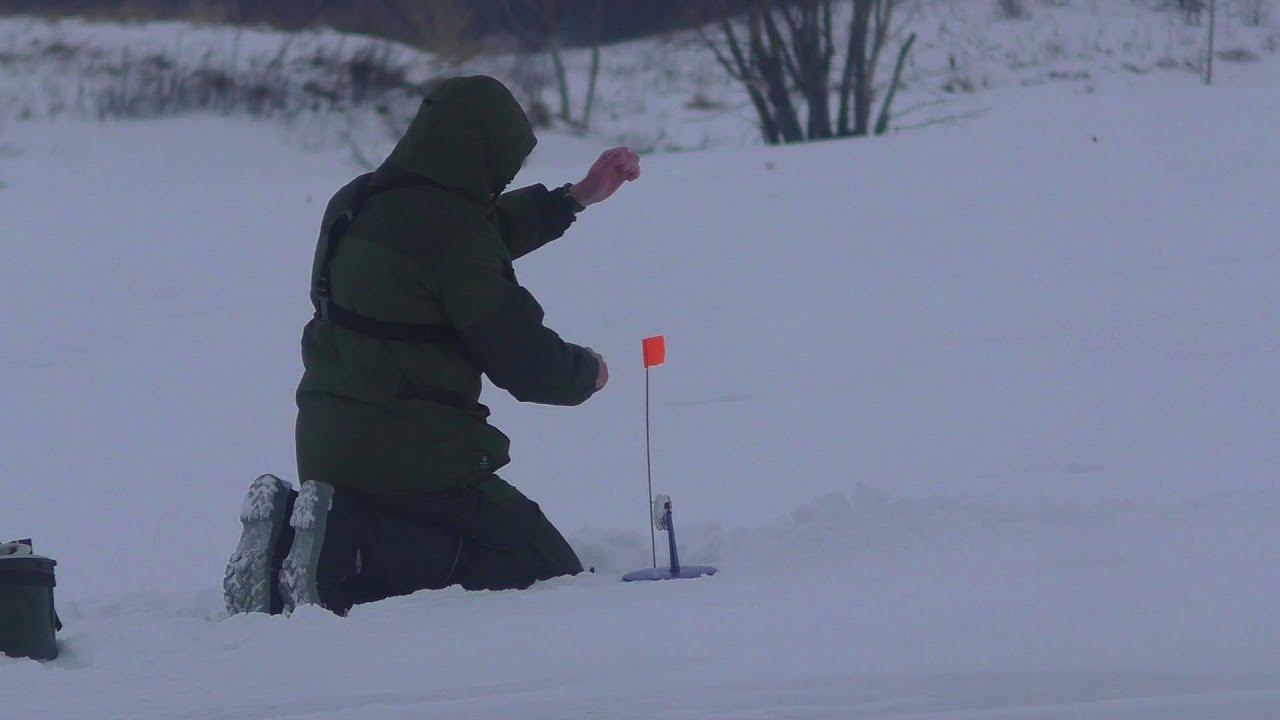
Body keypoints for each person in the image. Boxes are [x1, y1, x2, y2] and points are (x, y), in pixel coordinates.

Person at [224, 75, 640, 616]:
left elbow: (463, 241)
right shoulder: (455, 235)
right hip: (416, 456)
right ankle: (347, 551)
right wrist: (586, 372)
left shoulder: (357, 201)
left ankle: (288, 536)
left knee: (436, 540)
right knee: (540, 570)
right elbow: (524, 360)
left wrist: (573, 200)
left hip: (327, 444)